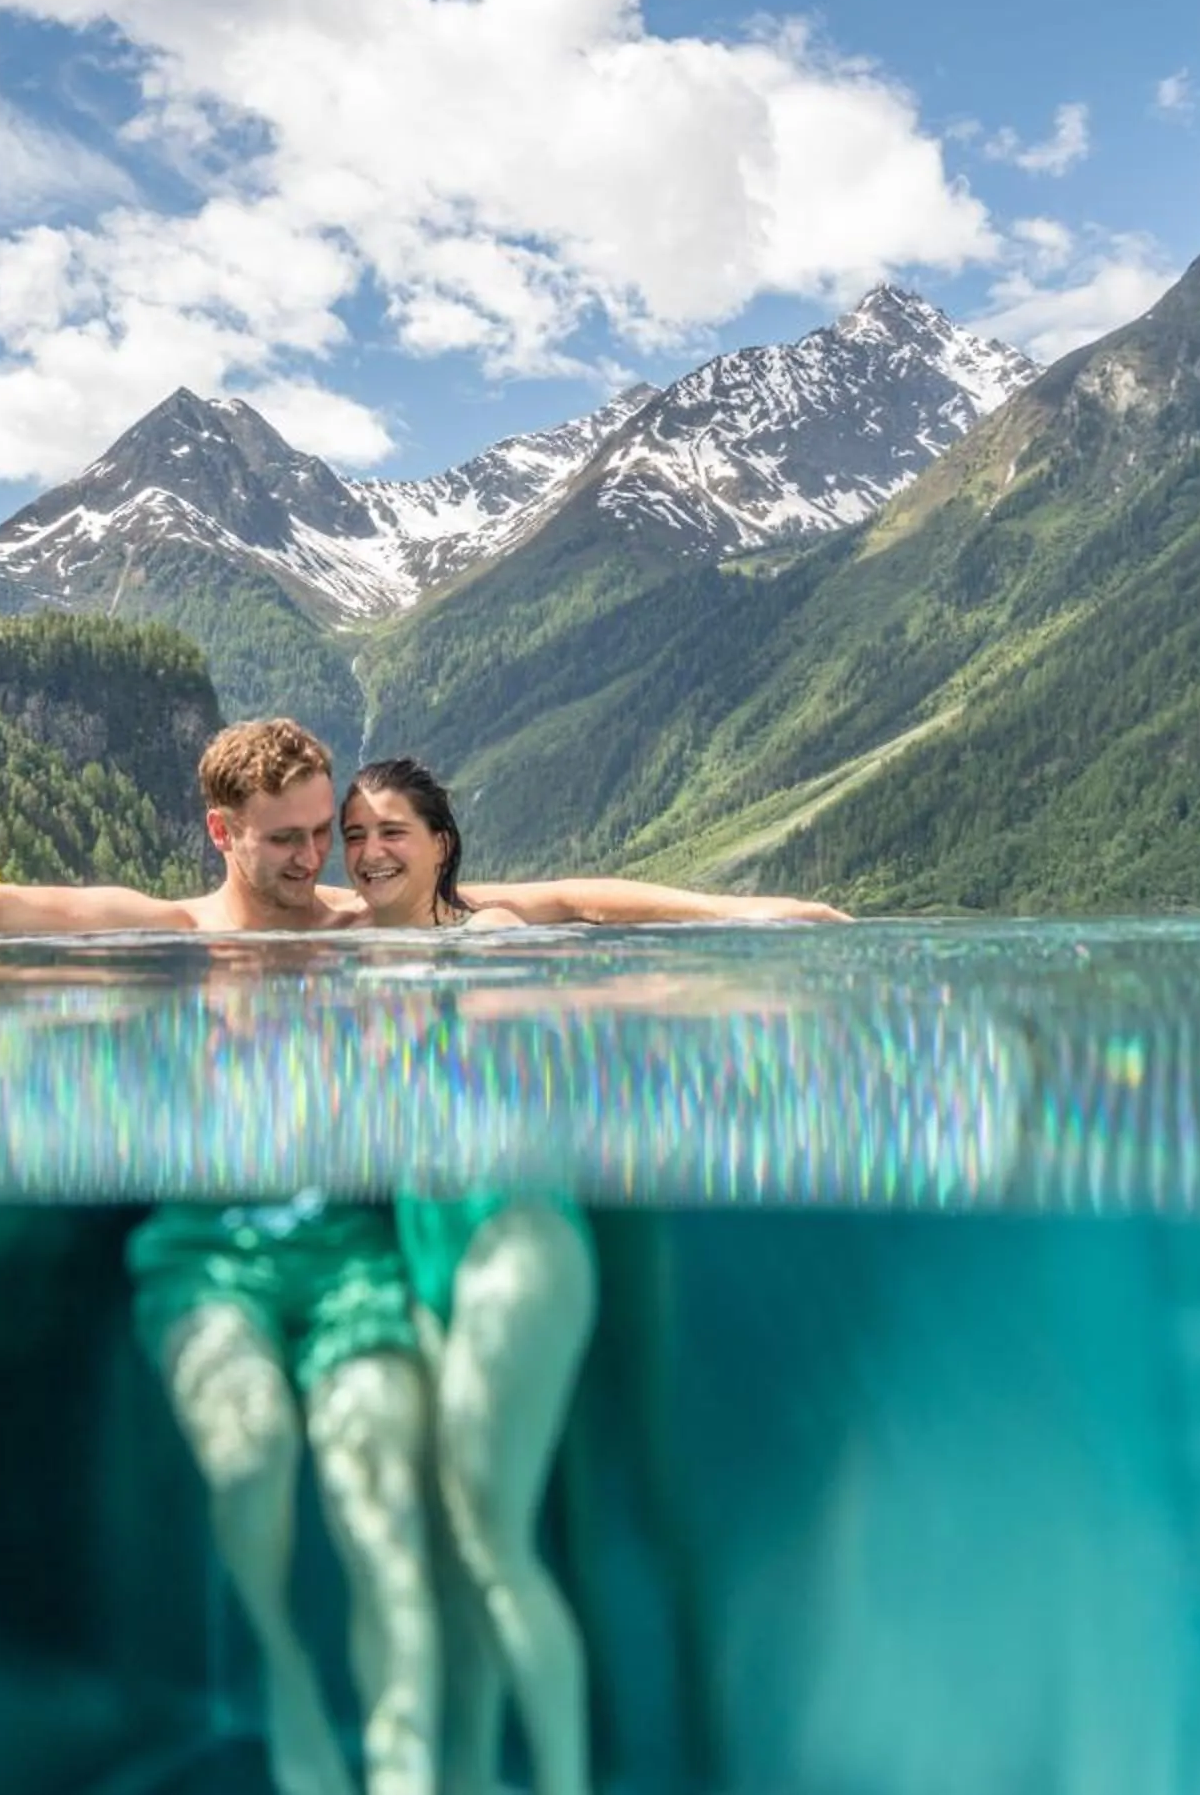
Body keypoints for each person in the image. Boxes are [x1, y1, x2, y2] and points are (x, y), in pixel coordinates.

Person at [0, 717, 850, 1795]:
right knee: (259, 1477)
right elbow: (4, 905)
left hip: (352, 1266)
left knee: (396, 1528)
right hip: (223, 1256)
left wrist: (736, 911)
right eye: (288, 837)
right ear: (222, 831)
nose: (319, 857)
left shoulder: (351, 923)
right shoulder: (177, 929)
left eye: (325, 830)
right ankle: (293, 1697)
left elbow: (569, 899)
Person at [341, 756, 843, 1795]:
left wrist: (746, 915)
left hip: (516, 1243)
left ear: (441, 843)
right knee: (450, 1554)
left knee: (492, 1547)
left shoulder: (489, 938)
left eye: (392, 829)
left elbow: (581, 900)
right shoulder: (343, 944)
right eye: (354, 834)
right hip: (432, 1253)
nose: (368, 850)